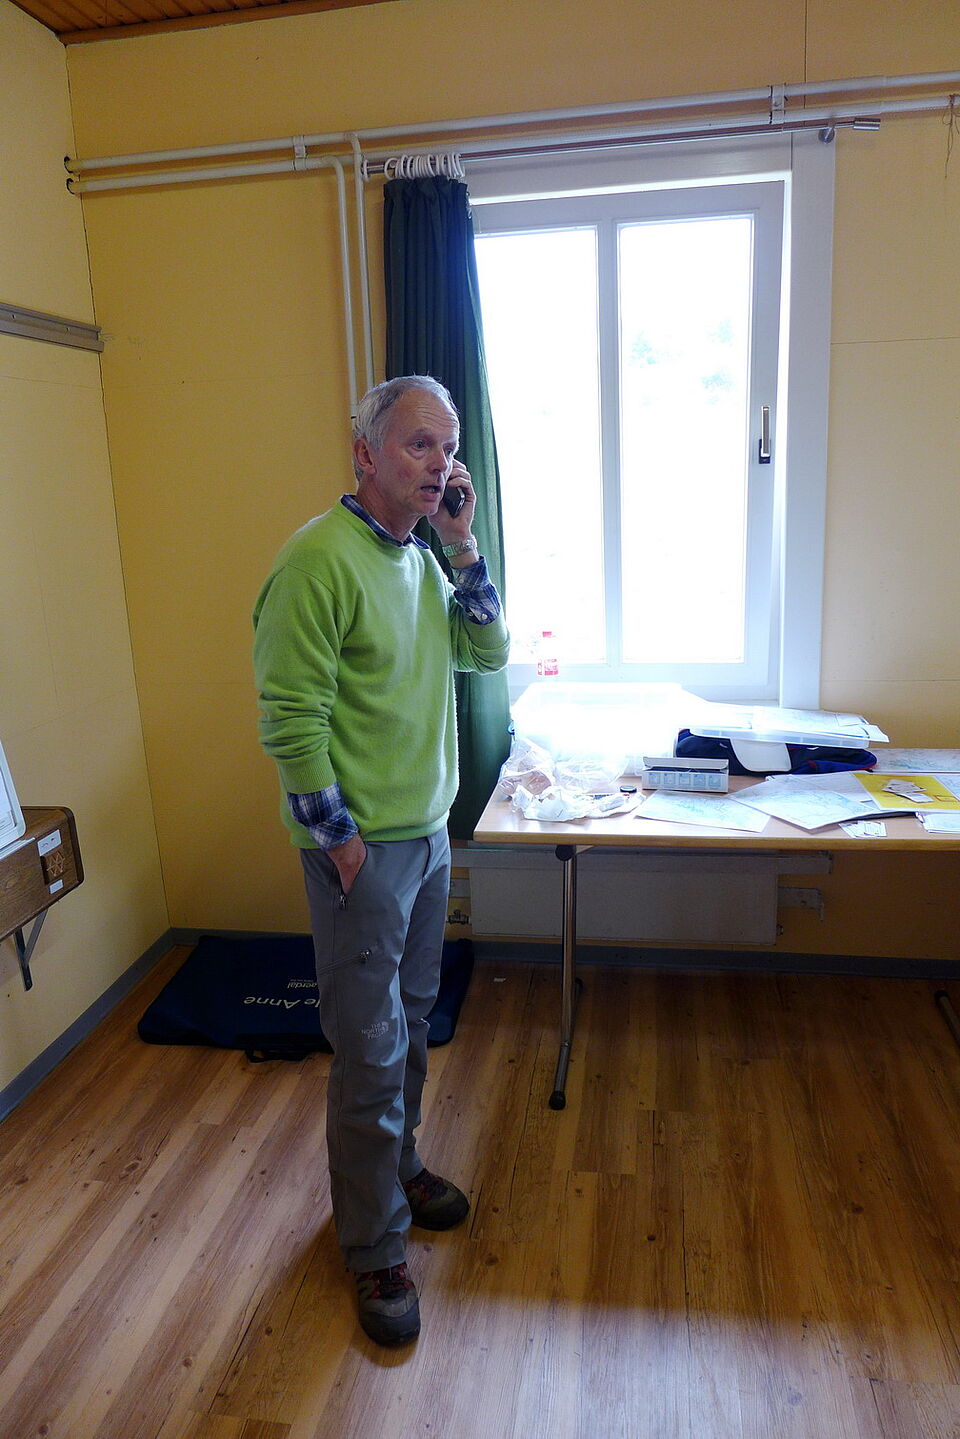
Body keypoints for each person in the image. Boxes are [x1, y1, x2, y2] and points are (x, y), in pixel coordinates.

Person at [252, 375, 509, 1346]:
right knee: (367, 1049)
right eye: (418, 444)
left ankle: (395, 1168)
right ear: (365, 453)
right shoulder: (316, 561)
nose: (440, 462)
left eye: (448, 447)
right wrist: (345, 846)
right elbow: (291, 720)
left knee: (410, 1025)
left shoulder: (422, 561)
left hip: (428, 835)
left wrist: (463, 543)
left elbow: (488, 653)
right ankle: (373, 1246)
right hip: (362, 854)